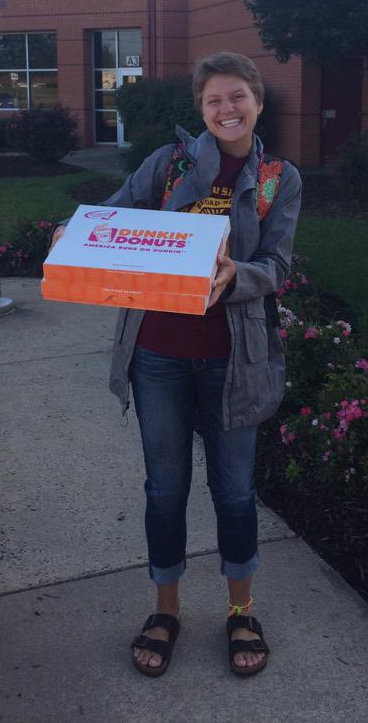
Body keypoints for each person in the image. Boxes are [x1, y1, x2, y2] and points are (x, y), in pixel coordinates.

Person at [50, 52, 301, 677]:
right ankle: (165, 609)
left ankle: (241, 610)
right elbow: (114, 214)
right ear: (202, 109)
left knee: (236, 491)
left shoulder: (277, 179)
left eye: (238, 96)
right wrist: (70, 233)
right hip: (158, 354)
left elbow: (279, 266)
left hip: (234, 358)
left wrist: (235, 274)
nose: (228, 109)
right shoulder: (167, 165)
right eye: (215, 100)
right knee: (165, 490)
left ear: (258, 102)